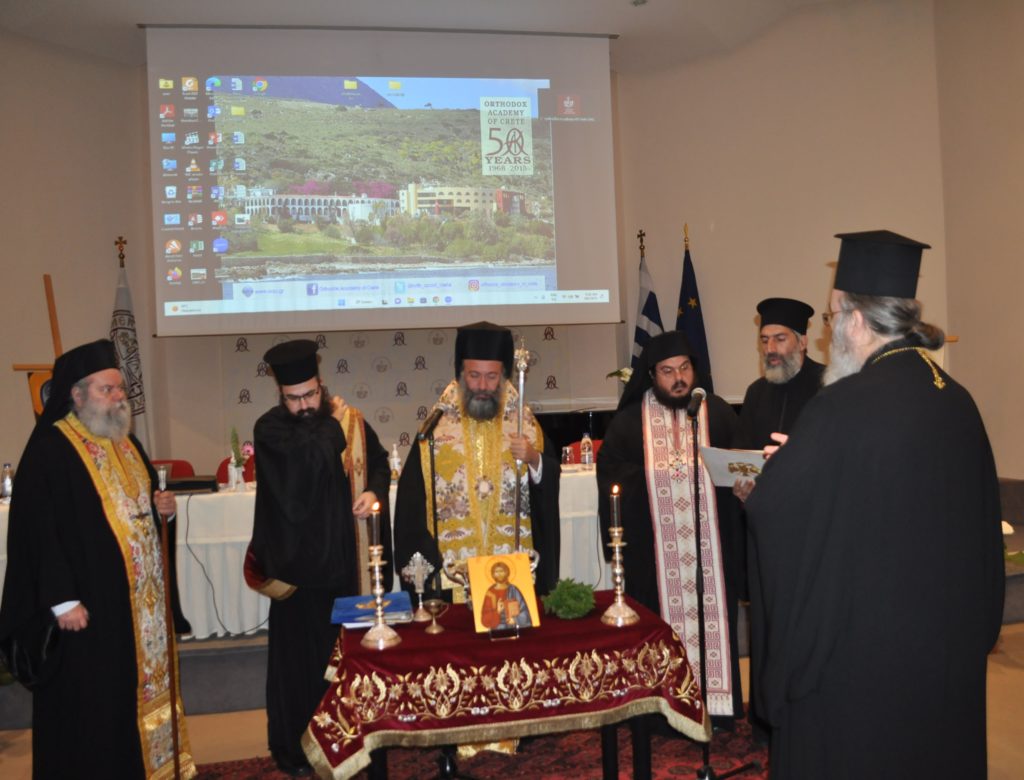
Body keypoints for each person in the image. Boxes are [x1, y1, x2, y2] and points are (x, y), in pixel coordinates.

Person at [745, 230, 1005, 778]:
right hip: (944, 651)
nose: (828, 330)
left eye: (832, 316)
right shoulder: (957, 399)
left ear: (857, 322)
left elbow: (778, 512)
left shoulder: (841, 406)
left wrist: (783, 472)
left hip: (865, 660)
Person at [0, 339, 196, 779]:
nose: (118, 397)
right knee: (92, 713)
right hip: (86, 613)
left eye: (120, 389)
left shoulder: (127, 443)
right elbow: (37, 529)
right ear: (77, 394)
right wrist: (61, 598)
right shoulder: (52, 448)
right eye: (108, 390)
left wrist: (162, 511)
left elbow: (141, 511)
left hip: (135, 615)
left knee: (126, 704)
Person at [249, 339, 390, 777]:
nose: (304, 405)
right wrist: (333, 422)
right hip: (297, 579)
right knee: (300, 672)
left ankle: (354, 745)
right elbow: (309, 461)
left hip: (345, 571)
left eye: (311, 395)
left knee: (349, 665)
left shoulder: (349, 422)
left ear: (321, 385)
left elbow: (380, 462)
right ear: (280, 395)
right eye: (294, 398)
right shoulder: (271, 430)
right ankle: (298, 752)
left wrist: (372, 491)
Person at [597, 331, 744, 724]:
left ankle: (717, 709)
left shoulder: (719, 413)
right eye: (668, 371)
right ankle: (664, 712)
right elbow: (611, 474)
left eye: (684, 368)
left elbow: (738, 467)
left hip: (712, 556)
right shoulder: (629, 422)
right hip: (655, 559)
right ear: (652, 375)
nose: (679, 379)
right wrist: (654, 477)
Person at [394, 321, 560, 599]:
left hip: (513, 576)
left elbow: (548, 482)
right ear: (460, 374)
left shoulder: (525, 424)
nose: (482, 386)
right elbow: (410, 506)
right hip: (452, 581)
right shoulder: (436, 428)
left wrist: (534, 459)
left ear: (504, 376)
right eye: (474, 375)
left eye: (492, 377)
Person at [480, 560, 533, 629]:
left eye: (501, 571)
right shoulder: (490, 593)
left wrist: (515, 620)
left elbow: (524, 611)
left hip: (514, 626)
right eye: (496, 572)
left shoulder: (513, 590)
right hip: (497, 628)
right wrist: (497, 611)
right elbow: (484, 619)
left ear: (506, 572)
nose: (499, 574)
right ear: (493, 574)